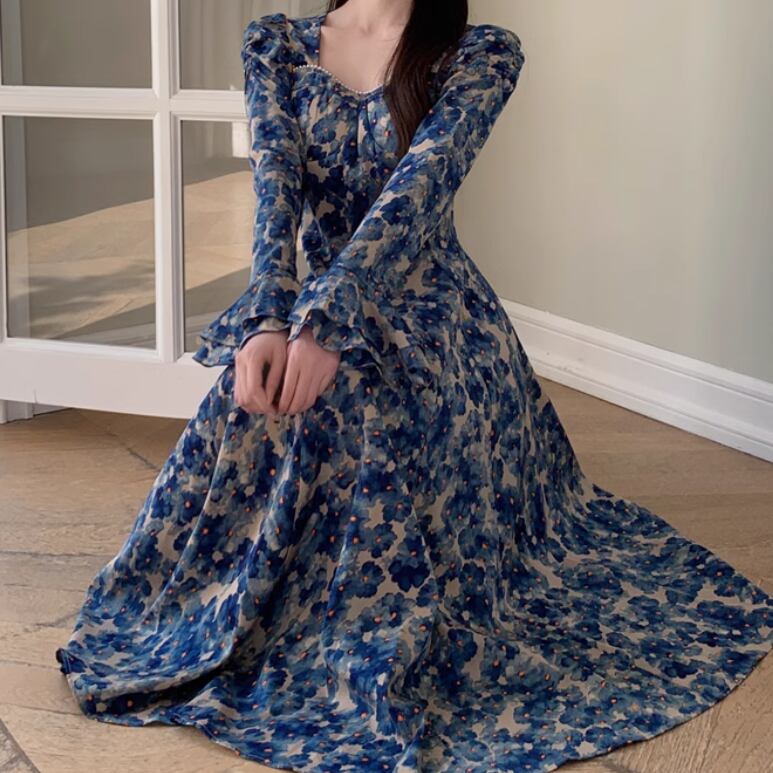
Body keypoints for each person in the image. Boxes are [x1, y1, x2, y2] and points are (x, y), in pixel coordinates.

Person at [55, 2, 773, 771]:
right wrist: (265, 319)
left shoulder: (479, 53)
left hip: (434, 305)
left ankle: (353, 631)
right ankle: (260, 609)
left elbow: (417, 195)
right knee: (257, 394)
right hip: (309, 303)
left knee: (360, 396)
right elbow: (276, 190)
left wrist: (331, 322)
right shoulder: (276, 43)